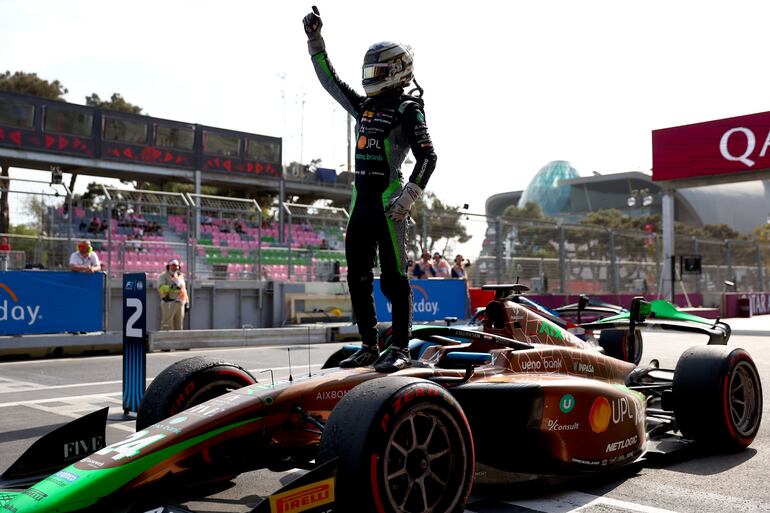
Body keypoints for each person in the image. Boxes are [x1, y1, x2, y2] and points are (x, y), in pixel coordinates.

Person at [304, 8, 437, 372]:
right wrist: (315, 41)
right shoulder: (363, 106)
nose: (370, 78)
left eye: (377, 71)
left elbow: (429, 156)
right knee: (357, 277)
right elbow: (330, 81)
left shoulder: (409, 108)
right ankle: (366, 344)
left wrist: (408, 197)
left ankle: (400, 349)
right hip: (359, 204)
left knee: (394, 279)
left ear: (396, 72)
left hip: (389, 203)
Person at [158, 259, 188, 330]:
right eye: (173, 266)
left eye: (176, 267)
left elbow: (183, 289)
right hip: (168, 302)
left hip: (180, 303)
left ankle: (177, 340)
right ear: (169, 267)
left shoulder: (180, 276)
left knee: (179, 325)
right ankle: (164, 339)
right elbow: (161, 288)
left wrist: (187, 301)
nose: (175, 268)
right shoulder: (163, 276)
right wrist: (171, 287)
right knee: (167, 324)